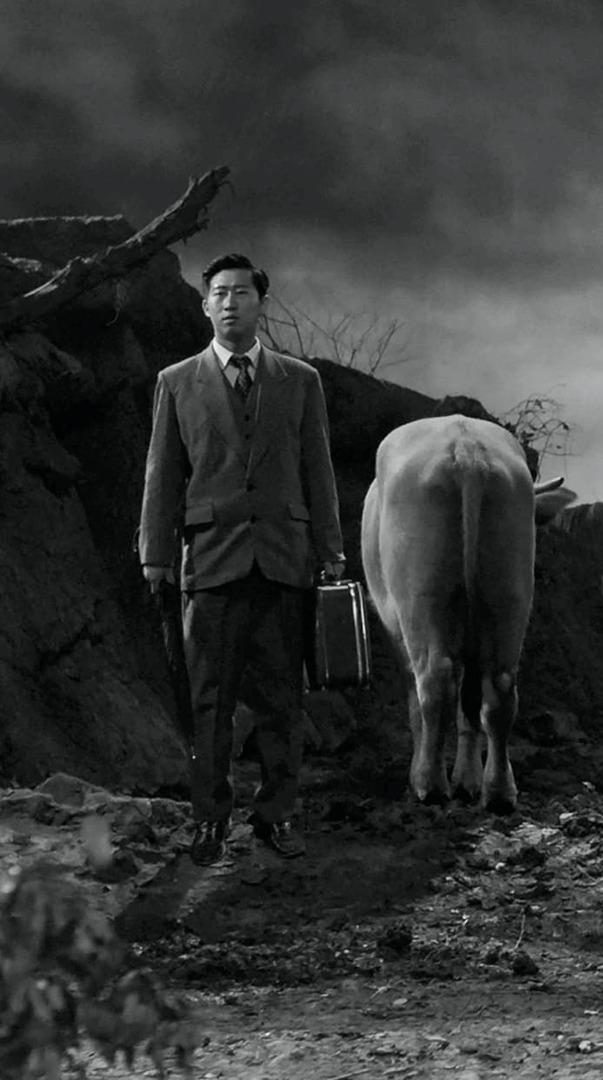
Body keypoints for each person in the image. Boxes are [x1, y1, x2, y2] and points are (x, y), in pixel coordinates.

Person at [138, 253, 345, 865]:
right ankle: (209, 820)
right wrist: (155, 554)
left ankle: (278, 816)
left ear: (262, 303)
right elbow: (161, 474)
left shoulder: (299, 380)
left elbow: (318, 470)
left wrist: (330, 549)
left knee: (283, 700)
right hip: (209, 563)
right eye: (220, 293)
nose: (231, 302)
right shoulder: (176, 382)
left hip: (283, 559)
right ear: (205, 306)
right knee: (209, 703)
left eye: (243, 293)